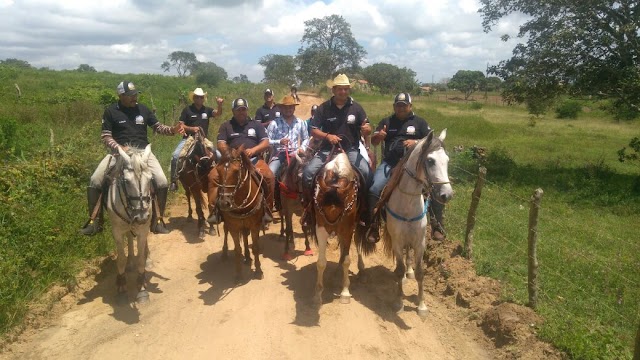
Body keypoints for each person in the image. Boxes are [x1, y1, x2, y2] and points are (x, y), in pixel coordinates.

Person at [79, 81, 183, 236]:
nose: (134, 97)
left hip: (143, 152)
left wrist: (173, 130)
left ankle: (158, 221)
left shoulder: (143, 109)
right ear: (121, 96)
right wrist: (119, 148)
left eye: (135, 94)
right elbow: (106, 136)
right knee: (95, 180)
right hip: (119, 153)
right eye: (130, 95)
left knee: (161, 181)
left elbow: (158, 127)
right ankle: (95, 222)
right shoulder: (111, 111)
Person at [366, 92, 441, 242]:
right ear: (394, 106)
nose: (401, 108)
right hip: (390, 163)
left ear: (410, 106)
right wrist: (379, 136)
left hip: (414, 167)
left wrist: (416, 142)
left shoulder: (420, 122)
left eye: (404, 106)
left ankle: (436, 225)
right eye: (398, 106)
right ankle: (374, 225)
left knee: (433, 188)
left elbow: (432, 141)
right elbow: (373, 141)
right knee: (374, 188)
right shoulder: (387, 121)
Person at [301, 74, 372, 225]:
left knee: (366, 173)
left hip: (350, 149)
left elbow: (366, 126)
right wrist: (327, 136)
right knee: (307, 174)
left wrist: (367, 130)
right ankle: (308, 209)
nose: (343, 92)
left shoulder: (356, 108)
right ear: (333, 90)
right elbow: (313, 130)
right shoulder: (324, 108)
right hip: (328, 149)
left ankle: (364, 210)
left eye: (346, 89)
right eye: (340, 89)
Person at [208, 98, 275, 225]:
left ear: (247, 110)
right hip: (231, 161)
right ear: (233, 111)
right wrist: (231, 154)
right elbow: (221, 144)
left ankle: (267, 210)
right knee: (213, 176)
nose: (241, 112)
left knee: (269, 176)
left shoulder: (256, 124)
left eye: (243, 109)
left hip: (253, 159)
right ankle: (214, 211)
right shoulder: (226, 126)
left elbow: (265, 142)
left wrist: (253, 150)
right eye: (238, 110)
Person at [169, 88, 223, 192]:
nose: (199, 98)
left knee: (219, 155)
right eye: (197, 97)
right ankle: (174, 181)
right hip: (189, 138)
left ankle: (221, 179)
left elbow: (217, 113)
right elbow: (181, 125)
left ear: (204, 98)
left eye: (201, 97)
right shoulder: (187, 110)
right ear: (193, 98)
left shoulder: (206, 110)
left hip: (203, 139)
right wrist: (191, 129)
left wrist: (220, 105)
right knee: (176, 156)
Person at [267, 95, 309, 210]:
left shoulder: (300, 122)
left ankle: (306, 200)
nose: (288, 109)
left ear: (294, 108)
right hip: (279, 154)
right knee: (270, 174)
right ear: (280, 108)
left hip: (296, 154)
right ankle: (272, 201)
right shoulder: (274, 123)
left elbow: (306, 138)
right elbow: (266, 141)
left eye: (291, 107)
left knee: (308, 172)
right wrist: (279, 141)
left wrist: (303, 148)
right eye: (286, 107)